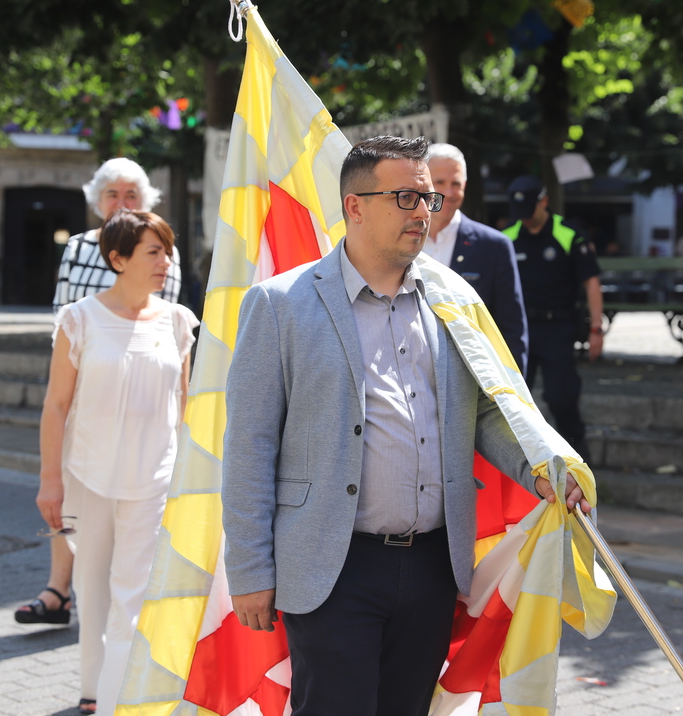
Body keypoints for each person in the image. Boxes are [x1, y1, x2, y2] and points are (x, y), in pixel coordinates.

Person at [221, 136, 588, 716]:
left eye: (428, 198)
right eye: (406, 198)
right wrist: (249, 570)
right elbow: (249, 444)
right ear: (355, 206)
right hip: (331, 565)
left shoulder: (453, 300)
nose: (423, 212)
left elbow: (482, 409)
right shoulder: (279, 304)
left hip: (433, 565)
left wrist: (539, 469)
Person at [36, 210, 198, 716]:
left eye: (167, 252)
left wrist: (189, 481)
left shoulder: (178, 321)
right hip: (88, 474)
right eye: (154, 252)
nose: (166, 262)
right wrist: (50, 481)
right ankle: (93, 688)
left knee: (133, 596)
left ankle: (116, 703)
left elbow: (186, 405)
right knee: (91, 588)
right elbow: (56, 405)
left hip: (154, 480)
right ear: (118, 259)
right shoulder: (79, 319)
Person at [15, 157, 184, 628]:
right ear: (98, 200)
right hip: (87, 380)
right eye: (113, 194)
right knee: (74, 487)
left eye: (131, 195)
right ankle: (59, 587)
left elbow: (168, 316)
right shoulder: (78, 247)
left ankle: (110, 603)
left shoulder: (159, 248)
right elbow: (61, 316)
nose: (122, 203)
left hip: (140, 388)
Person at [502, 175, 602, 461]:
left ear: (544, 201)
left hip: (558, 327)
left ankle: (579, 462)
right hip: (519, 329)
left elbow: (591, 282)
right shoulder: (506, 238)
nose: (524, 217)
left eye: (529, 209)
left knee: (562, 398)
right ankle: (519, 466)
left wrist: (596, 328)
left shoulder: (568, 234)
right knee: (513, 402)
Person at [423, 143, 528, 372]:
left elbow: (511, 327)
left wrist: (513, 385)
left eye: (456, 184)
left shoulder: (494, 246)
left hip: (473, 374)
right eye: (439, 182)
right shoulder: (399, 239)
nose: (449, 193)